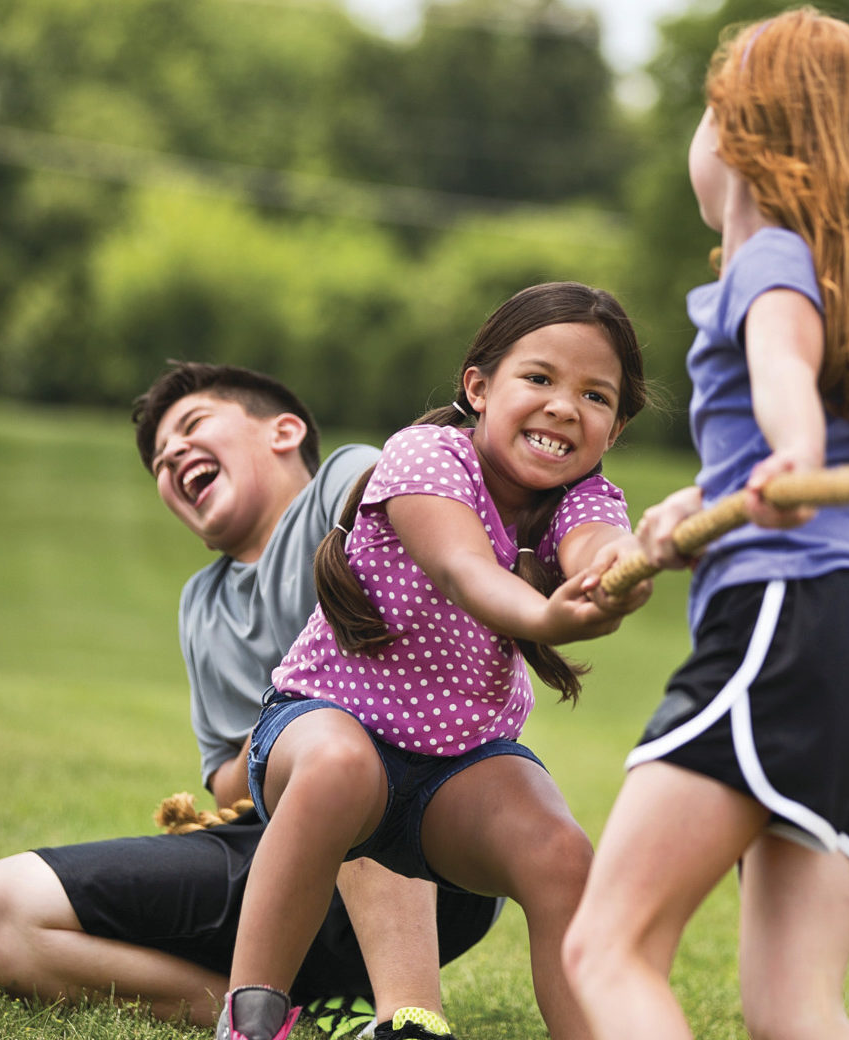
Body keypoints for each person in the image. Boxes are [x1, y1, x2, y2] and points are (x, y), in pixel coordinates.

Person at [562, 9, 849, 1040]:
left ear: (738, 135)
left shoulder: (770, 258)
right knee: (792, 1012)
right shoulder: (829, 273)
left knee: (606, 947)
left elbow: (781, 377)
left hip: (793, 617)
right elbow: (782, 411)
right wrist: (707, 498)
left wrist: (791, 455)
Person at [0, 362, 502, 1036]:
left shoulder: (346, 481)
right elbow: (224, 786)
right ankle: (280, 1013)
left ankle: (408, 1016)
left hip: (428, 848)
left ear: (284, 431)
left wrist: (308, 708)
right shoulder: (202, 605)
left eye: (191, 426)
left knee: (342, 745)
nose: (174, 455)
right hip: (271, 855)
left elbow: (410, 599)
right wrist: (287, 714)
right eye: (159, 460)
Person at [214, 282, 652, 1040]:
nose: (562, 406)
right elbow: (464, 572)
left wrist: (622, 569)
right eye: (539, 378)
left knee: (561, 855)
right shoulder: (425, 457)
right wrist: (551, 613)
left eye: (594, 395)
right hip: (323, 728)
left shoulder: (587, 500)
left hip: (453, 769)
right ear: (478, 388)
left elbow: (597, 550)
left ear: (611, 429)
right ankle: (250, 1019)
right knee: (339, 767)